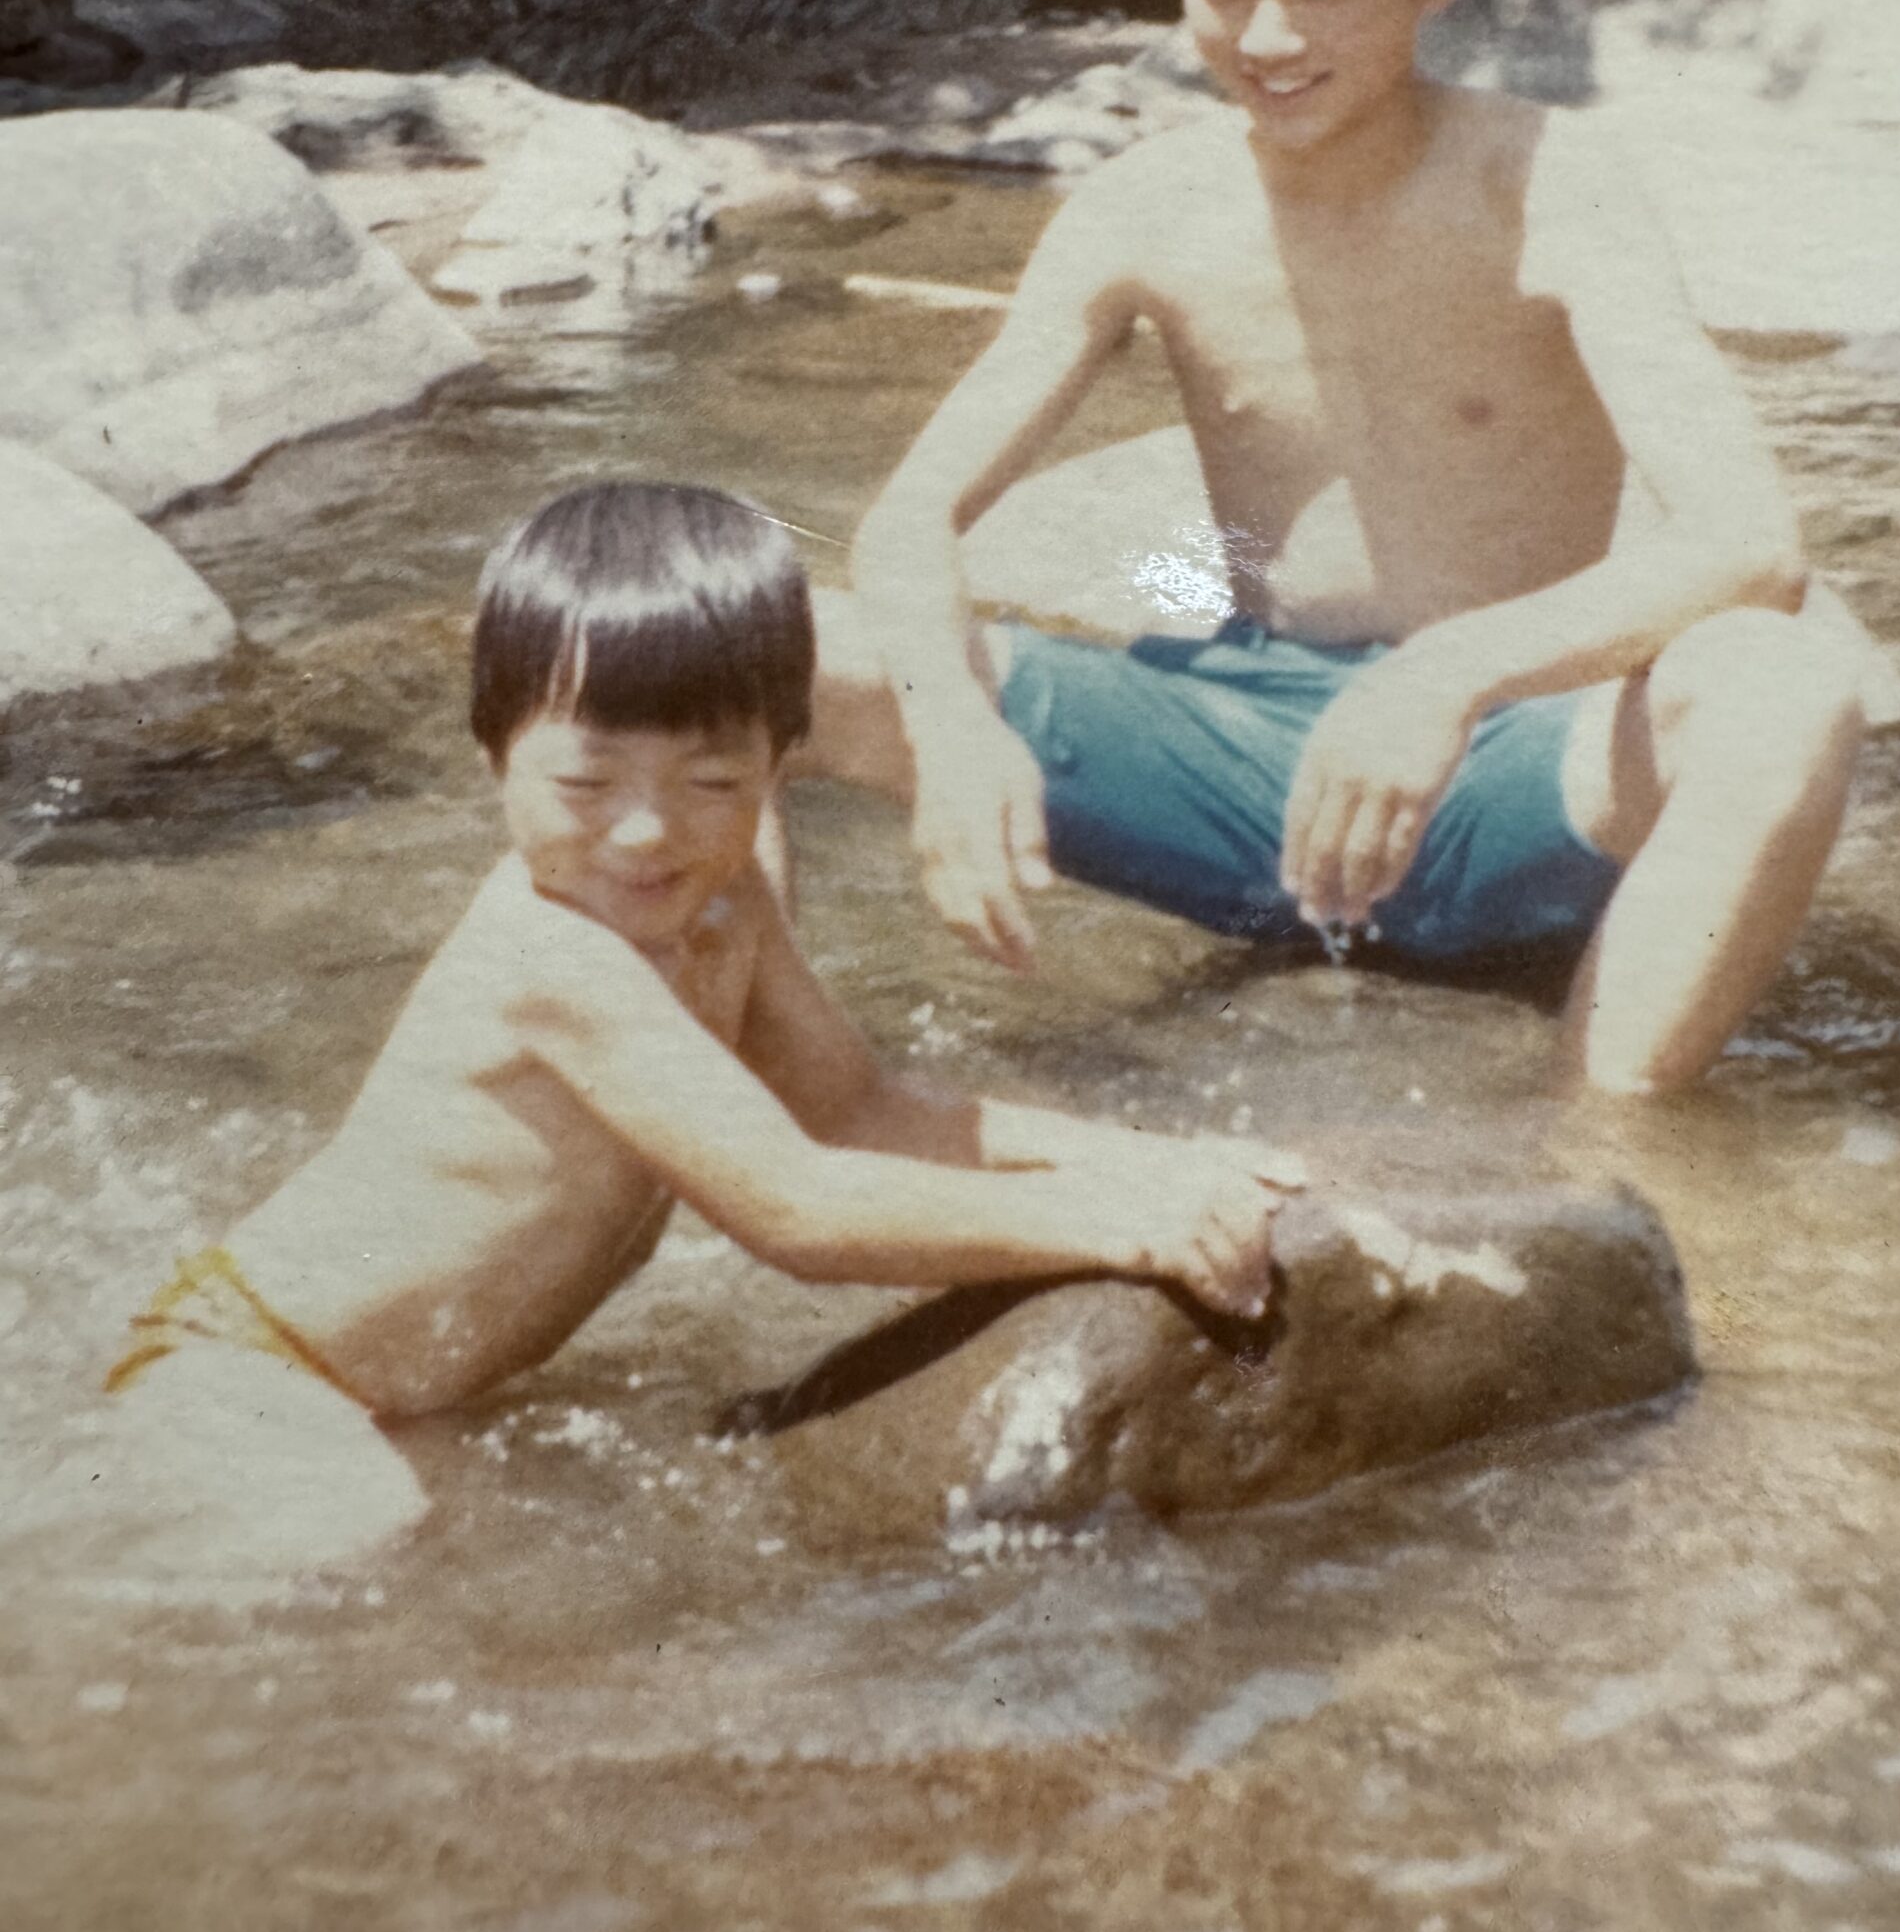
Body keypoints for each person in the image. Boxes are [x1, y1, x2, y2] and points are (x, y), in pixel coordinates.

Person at [803, 0, 1864, 1096]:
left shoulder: (1553, 186)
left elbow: (1748, 546)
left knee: (1783, 689)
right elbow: (910, 523)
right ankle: (779, 1121)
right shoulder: (1144, 207)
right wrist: (949, 733)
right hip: (1245, 759)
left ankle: (1604, 1153)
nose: (1268, 40)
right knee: (744, 654)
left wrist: (1445, 673)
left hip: (1518, 759)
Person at [96, 482, 1299, 1571]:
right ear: (492, 757)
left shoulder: (728, 900)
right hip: (248, 1363)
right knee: (376, 1544)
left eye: (713, 782)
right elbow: (795, 1210)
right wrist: (1118, 1223)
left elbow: (858, 1111)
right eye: (584, 784)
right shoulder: (549, 956)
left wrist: (1147, 1162)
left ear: (779, 761)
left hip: (411, 1388)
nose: (647, 833)